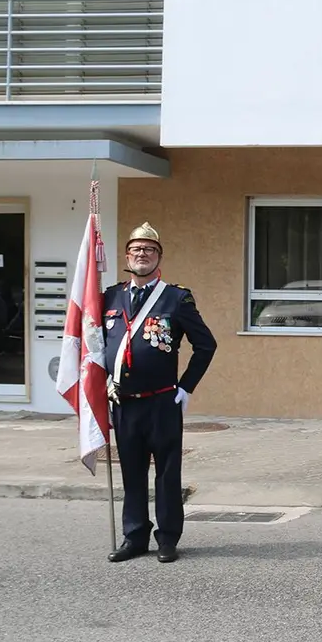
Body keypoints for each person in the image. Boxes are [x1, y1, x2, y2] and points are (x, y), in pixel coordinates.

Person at [104, 222, 217, 564]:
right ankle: (134, 536)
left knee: (167, 474)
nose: (142, 255)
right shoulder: (109, 296)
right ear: (127, 256)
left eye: (149, 250)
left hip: (162, 402)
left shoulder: (176, 298)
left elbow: (206, 345)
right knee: (132, 473)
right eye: (136, 250)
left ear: (159, 257)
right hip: (124, 402)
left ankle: (167, 538)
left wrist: (185, 387)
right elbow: (95, 344)